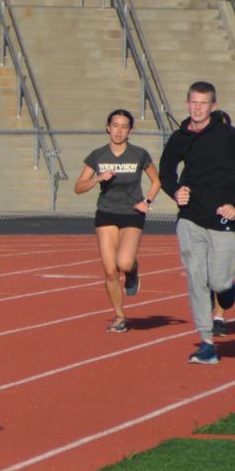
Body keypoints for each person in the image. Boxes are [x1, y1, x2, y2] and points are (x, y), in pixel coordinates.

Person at [156, 82, 235, 365]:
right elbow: (165, 172)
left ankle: (228, 289)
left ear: (213, 106)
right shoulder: (179, 137)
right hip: (190, 219)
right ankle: (206, 343)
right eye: (193, 102)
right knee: (196, 279)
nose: (198, 107)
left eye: (204, 103)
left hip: (224, 218)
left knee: (219, 280)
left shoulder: (227, 135)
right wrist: (175, 191)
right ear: (187, 103)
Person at [74, 109, 161, 334]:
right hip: (106, 213)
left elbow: (156, 181)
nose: (119, 130)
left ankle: (132, 270)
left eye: (123, 126)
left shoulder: (139, 154)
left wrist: (147, 201)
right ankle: (120, 316)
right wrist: (96, 179)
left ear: (130, 130)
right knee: (110, 270)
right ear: (107, 128)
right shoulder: (98, 155)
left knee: (123, 263)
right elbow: (78, 187)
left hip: (132, 214)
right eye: (115, 125)